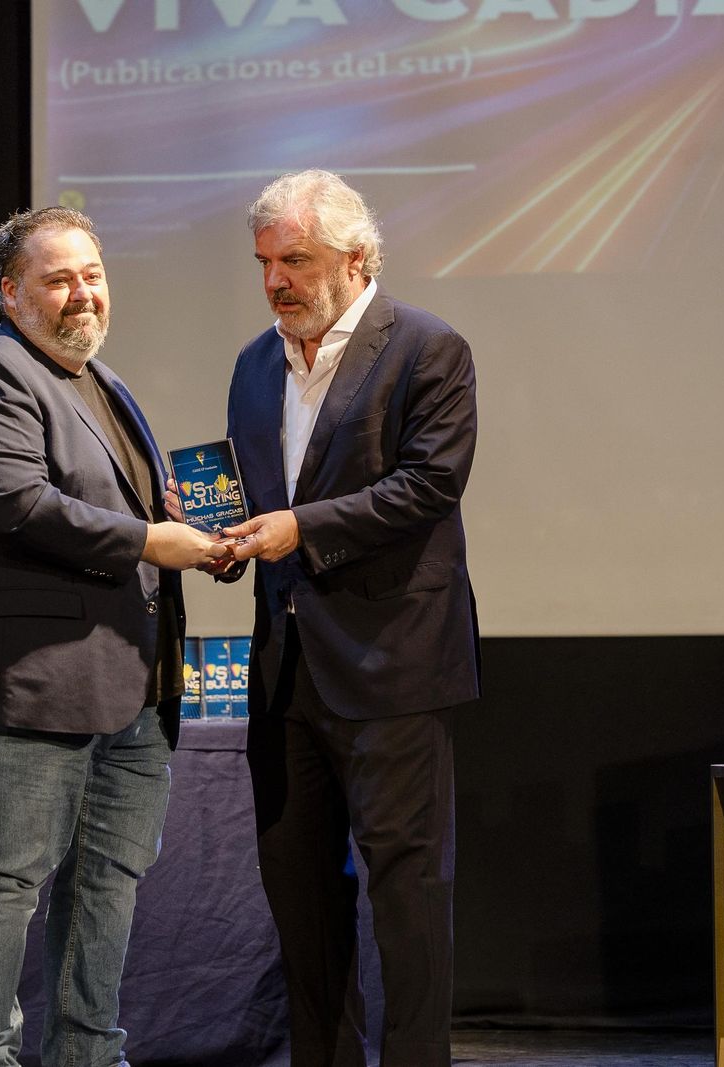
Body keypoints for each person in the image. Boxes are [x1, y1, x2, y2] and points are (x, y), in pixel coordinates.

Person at [0, 207, 225, 1067]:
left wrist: (192, 527)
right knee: (1, 884)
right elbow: (21, 506)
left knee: (106, 883)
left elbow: (104, 507)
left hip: (125, 690)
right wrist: (151, 538)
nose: (83, 292)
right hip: (21, 690)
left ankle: (86, 1055)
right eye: (58, 277)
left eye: (93, 273)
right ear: (10, 292)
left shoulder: (99, 381)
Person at [218, 170, 480, 1067]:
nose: (276, 280)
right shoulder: (255, 365)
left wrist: (298, 528)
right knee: (303, 907)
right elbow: (263, 497)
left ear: (357, 258)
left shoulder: (427, 349)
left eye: (296, 259)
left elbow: (427, 485)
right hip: (286, 675)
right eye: (265, 262)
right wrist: (224, 529)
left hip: (392, 669)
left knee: (407, 901)